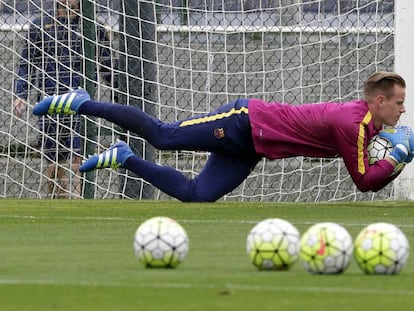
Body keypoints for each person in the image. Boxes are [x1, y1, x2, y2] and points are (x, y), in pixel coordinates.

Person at [33, 71, 414, 202]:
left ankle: (125, 157)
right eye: (398, 102)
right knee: (164, 136)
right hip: (244, 122)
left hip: (252, 147)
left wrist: (395, 157)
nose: (402, 109)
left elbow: (370, 174)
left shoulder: (371, 124)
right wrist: (396, 157)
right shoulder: (354, 124)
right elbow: (365, 181)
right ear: (379, 101)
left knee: (197, 195)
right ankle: (82, 103)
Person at [14, 0, 115, 198]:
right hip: (50, 98)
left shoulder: (93, 26)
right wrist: (21, 94)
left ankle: (78, 199)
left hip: (83, 100)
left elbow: (107, 63)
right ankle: (57, 198)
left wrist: (115, 89)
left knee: (79, 152)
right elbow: (27, 63)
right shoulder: (41, 25)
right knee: (54, 157)